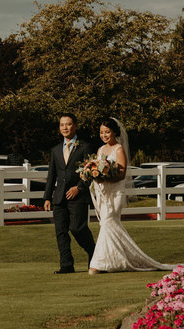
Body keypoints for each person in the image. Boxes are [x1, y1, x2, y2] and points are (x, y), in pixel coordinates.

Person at [87, 117, 171, 274]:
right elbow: (96, 168)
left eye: (107, 132)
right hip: (102, 193)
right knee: (108, 225)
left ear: (114, 132)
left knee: (108, 222)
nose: (104, 135)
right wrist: (93, 175)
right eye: (101, 132)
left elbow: (121, 174)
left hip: (115, 192)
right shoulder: (100, 150)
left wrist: (105, 176)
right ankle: (113, 261)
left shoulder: (119, 149)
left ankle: (97, 264)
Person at [42, 113, 96, 274]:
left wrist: (79, 188)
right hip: (59, 197)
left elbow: (91, 171)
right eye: (62, 125)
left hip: (78, 196)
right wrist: (47, 197)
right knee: (61, 232)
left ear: (76, 125)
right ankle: (66, 265)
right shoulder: (56, 150)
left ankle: (94, 255)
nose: (65, 127)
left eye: (68, 124)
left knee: (78, 228)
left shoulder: (85, 147)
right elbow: (52, 175)